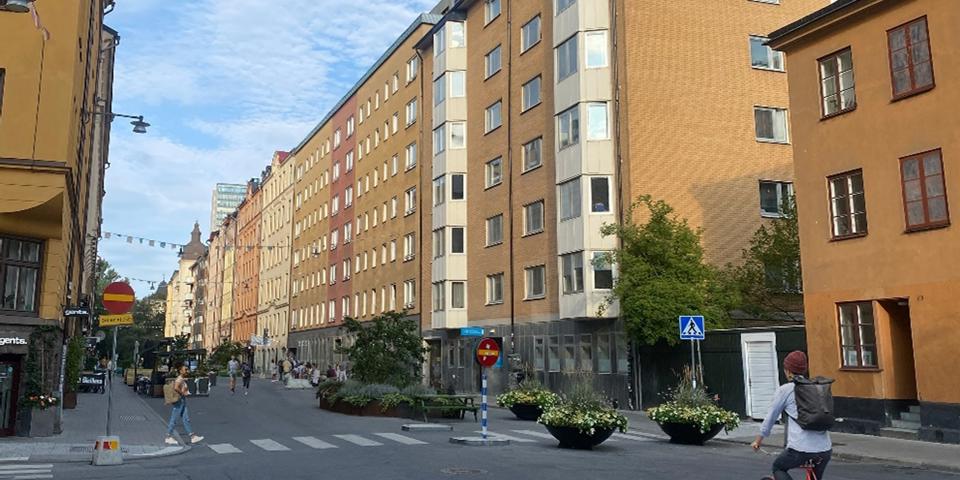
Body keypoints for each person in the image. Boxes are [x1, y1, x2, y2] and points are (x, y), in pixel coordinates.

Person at [752, 351, 832, 480]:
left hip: (800, 449)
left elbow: (771, 418)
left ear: (788, 371)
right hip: (825, 449)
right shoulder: (817, 387)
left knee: (778, 468)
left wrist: (758, 440)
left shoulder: (786, 390)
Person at [166, 364, 204, 445]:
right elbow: (176, 387)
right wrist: (183, 393)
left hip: (182, 400)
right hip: (179, 401)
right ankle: (168, 436)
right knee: (174, 419)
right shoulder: (179, 379)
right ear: (180, 371)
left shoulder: (182, 379)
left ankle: (192, 436)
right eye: (185, 369)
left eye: (187, 369)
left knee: (186, 418)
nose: (187, 371)